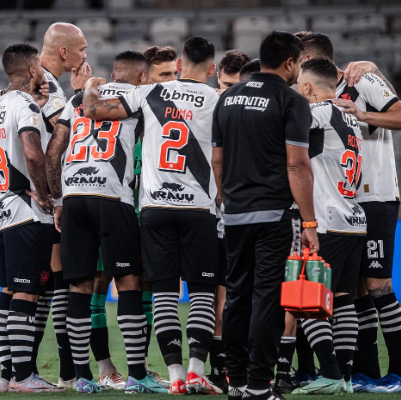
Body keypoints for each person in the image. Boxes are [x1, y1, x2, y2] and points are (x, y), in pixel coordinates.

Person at [82, 37, 223, 396]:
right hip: (199, 207)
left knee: (163, 291)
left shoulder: (151, 93)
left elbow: (94, 111)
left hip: (156, 208)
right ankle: (196, 371)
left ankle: (174, 376)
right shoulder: (217, 99)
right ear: (211, 70)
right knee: (203, 291)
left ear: (178, 66)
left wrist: (88, 87)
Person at [46, 50, 168, 394]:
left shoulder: (73, 100)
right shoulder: (138, 95)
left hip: (73, 199)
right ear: (143, 77)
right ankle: (137, 376)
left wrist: (57, 200)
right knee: (129, 281)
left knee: (78, 287)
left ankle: (83, 377)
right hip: (112, 198)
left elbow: (54, 150)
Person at [300, 32, 401, 394]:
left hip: (376, 193)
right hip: (347, 199)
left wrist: (362, 113)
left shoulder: (362, 78)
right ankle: (365, 372)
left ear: (309, 59)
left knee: (378, 285)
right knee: (356, 290)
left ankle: (399, 375)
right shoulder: (322, 96)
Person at [212, 31, 318, 400]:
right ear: (290, 62)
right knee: (268, 299)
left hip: (236, 215)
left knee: (238, 297)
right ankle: (260, 384)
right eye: (299, 63)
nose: (299, 70)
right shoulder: (291, 101)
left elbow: (218, 160)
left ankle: (236, 383)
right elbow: (297, 165)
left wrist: (228, 201)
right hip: (275, 216)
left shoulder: (226, 99)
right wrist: (309, 222)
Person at [0, 43, 63, 394]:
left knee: (10, 289)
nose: (44, 74)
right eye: (40, 70)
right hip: (27, 211)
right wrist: (46, 194)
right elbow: (31, 152)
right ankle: (24, 376)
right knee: (28, 293)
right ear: (32, 71)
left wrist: (40, 108)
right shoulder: (24, 104)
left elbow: (8, 144)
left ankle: (7, 375)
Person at [286, 58, 366, 395]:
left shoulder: (320, 112)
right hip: (354, 220)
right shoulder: (350, 117)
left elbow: (287, 133)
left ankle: (331, 373)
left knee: (307, 299)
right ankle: (344, 376)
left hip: (327, 221)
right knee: (344, 299)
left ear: (307, 87)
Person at [38, 22, 93, 390]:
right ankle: (68, 369)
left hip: (33, 198)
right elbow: (53, 148)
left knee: (41, 287)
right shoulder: (50, 89)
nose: (86, 55)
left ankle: (26, 370)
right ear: (64, 53)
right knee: (59, 282)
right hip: (45, 200)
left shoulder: (36, 82)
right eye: (82, 48)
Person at [206, 48, 250, 394]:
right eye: (224, 84)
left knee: (251, 294)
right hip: (214, 216)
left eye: (235, 85)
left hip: (248, 212)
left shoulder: (253, 112)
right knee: (219, 296)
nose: (228, 92)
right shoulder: (204, 105)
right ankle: (219, 367)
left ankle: (245, 363)